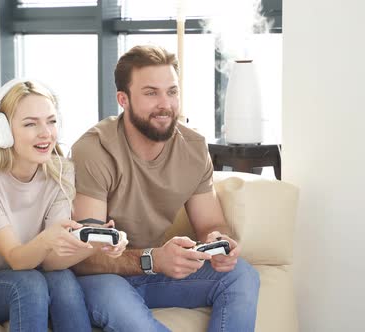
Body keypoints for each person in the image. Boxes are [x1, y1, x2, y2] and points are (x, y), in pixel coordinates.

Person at [70, 45, 261, 332]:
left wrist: (220, 241)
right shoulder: (94, 150)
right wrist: (152, 259)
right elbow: (87, 256)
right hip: (103, 276)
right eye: (151, 93)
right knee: (119, 303)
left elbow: (210, 222)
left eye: (172, 91)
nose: (165, 104)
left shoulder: (194, 147)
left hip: (156, 274)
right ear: (123, 99)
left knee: (242, 275)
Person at [0, 79, 128, 332]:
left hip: (31, 272)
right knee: (29, 283)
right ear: (2, 130)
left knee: (62, 279)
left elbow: (51, 261)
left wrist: (97, 244)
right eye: (31, 123)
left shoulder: (60, 171)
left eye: (51, 121)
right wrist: (47, 240)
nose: (46, 133)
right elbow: (16, 259)